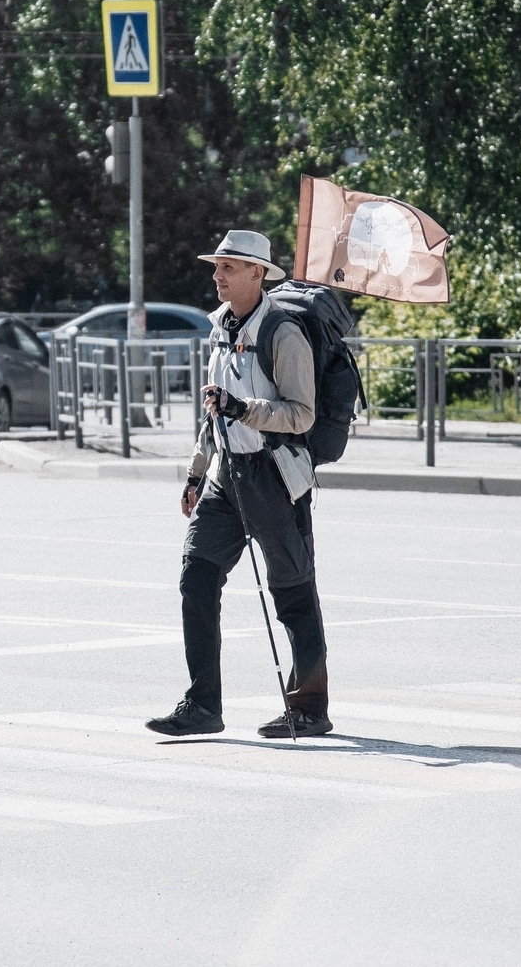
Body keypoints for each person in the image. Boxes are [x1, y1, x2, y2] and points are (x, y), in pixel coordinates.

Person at [146, 229, 332, 739]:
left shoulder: (283, 332)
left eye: (228, 266)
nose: (216, 274)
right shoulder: (220, 329)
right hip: (226, 477)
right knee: (196, 580)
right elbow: (213, 412)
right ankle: (202, 705)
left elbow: (302, 415)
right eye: (217, 265)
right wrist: (195, 472)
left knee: (293, 592)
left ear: (258, 273)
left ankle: (311, 707)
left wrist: (244, 409)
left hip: (273, 477)